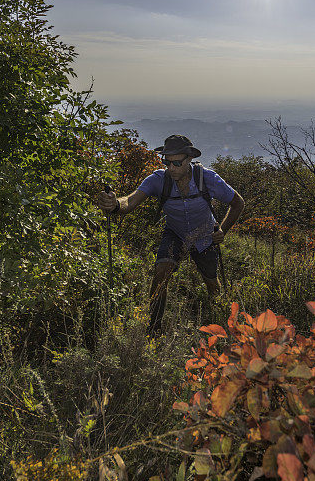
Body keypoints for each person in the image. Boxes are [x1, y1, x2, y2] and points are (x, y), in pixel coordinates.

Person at [96, 134, 245, 337]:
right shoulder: (158, 179)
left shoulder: (207, 178)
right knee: (160, 274)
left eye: (177, 162)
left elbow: (238, 203)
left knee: (211, 281)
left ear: (189, 159)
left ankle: (218, 319)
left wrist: (222, 231)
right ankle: (154, 329)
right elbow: (130, 202)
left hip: (204, 235)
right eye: (166, 162)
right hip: (175, 233)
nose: (171, 167)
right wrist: (114, 204)